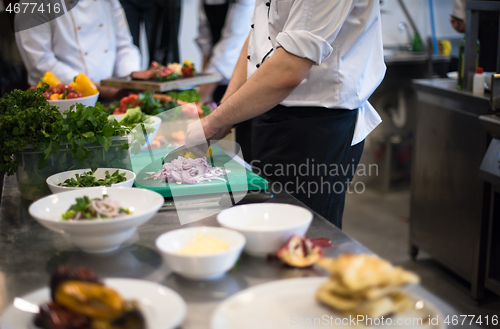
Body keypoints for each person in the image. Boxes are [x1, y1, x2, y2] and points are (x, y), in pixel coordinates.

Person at [186, 0, 386, 228]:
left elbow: (290, 66)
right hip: (262, 108)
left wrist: (214, 121)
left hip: (314, 127)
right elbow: (256, 38)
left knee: (303, 237)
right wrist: (225, 109)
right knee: (257, 225)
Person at [15, 0, 140, 100]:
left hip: (111, 98)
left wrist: (130, 79)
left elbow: (124, 46)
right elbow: (41, 62)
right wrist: (96, 87)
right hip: (60, 100)